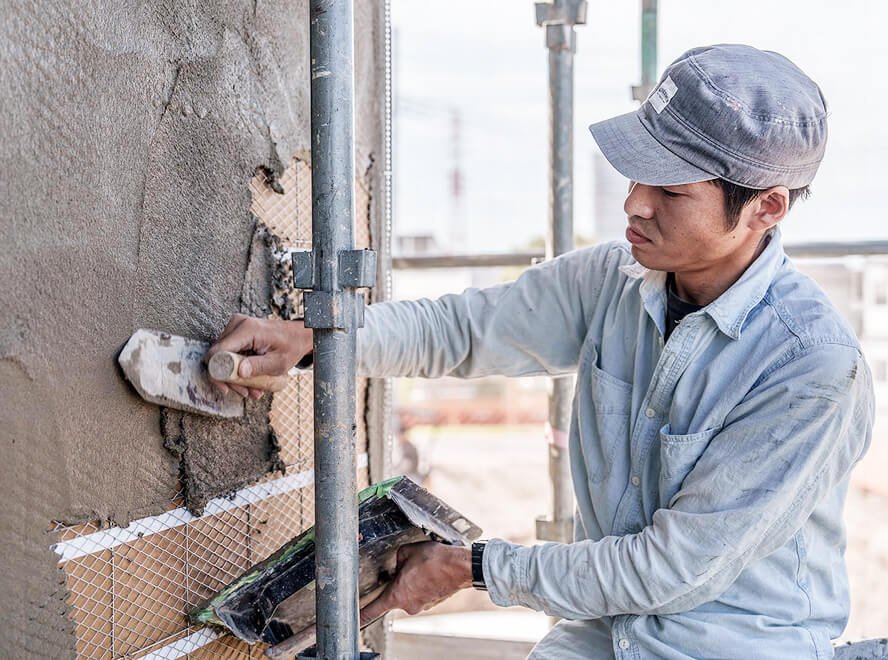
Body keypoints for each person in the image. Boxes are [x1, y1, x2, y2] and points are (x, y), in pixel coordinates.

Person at [208, 45, 874, 659]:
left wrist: (474, 568)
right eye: (639, 174)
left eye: (671, 191)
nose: (634, 203)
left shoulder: (811, 368)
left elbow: (669, 571)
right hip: (600, 633)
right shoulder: (611, 281)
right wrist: (317, 345)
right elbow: (461, 331)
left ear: (767, 208)